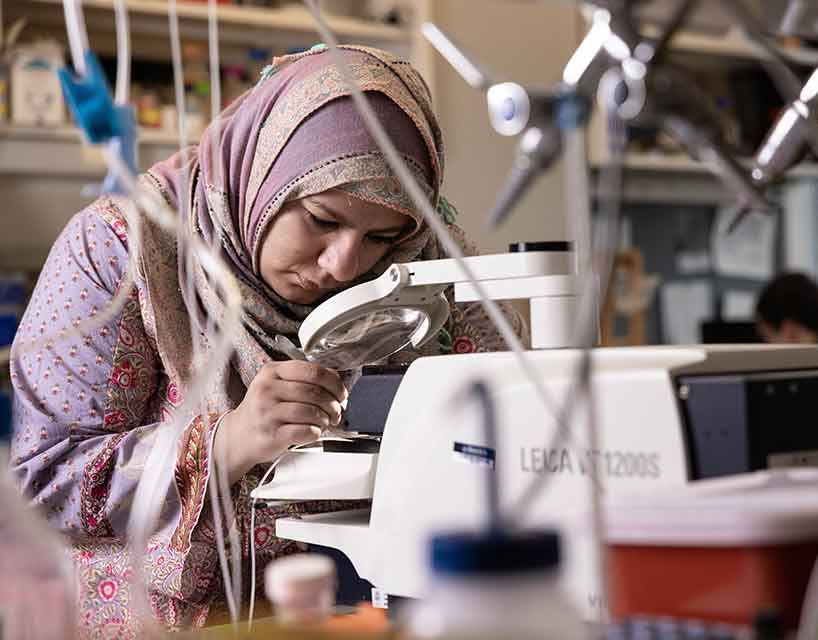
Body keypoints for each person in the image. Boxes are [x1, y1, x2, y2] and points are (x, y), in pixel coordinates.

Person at [8, 45, 524, 635]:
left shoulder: (429, 265)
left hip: (361, 611)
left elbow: (511, 432)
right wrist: (225, 443)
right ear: (265, 176)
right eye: (321, 220)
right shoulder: (123, 252)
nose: (342, 264)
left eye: (381, 237)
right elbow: (42, 486)